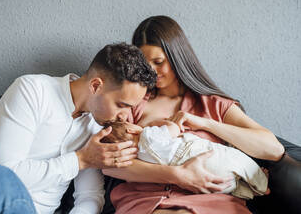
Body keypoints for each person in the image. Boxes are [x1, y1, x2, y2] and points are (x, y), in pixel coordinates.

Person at [0, 43, 157, 214]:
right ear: (96, 86)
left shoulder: (96, 129)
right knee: (1, 178)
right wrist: (79, 160)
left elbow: (89, 197)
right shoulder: (33, 90)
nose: (125, 116)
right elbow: (4, 171)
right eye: (122, 105)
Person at [103, 16, 285, 214]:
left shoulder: (214, 104)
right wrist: (177, 175)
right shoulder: (134, 104)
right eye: (146, 65)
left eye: (158, 62)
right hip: (146, 200)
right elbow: (110, 165)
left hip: (211, 200)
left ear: (177, 58)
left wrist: (206, 124)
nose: (152, 72)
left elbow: (273, 149)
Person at [101, 120, 269, 200]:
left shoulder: (136, 155)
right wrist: (161, 122)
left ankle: (247, 192)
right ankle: (261, 184)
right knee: (237, 159)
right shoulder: (147, 134)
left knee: (229, 186)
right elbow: (173, 128)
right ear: (131, 129)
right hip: (193, 154)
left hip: (204, 186)